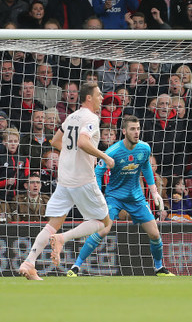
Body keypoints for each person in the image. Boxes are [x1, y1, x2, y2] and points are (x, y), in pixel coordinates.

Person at [18, 83, 113, 281]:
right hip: (82, 179)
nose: (101, 98)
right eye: (99, 95)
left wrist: (74, 154)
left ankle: (29, 262)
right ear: (89, 98)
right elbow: (83, 142)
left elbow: (55, 141)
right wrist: (104, 157)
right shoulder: (91, 118)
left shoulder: (72, 116)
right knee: (104, 222)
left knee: (53, 224)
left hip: (64, 178)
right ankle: (63, 238)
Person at [66, 115, 173, 277]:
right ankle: (76, 266)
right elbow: (98, 172)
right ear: (124, 131)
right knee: (102, 230)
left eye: (138, 129)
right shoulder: (113, 152)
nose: (136, 132)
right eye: (132, 129)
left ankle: (159, 268)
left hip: (136, 198)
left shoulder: (144, 148)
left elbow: (146, 167)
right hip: (114, 198)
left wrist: (154, 192)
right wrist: (98, 196)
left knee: (155, 234)